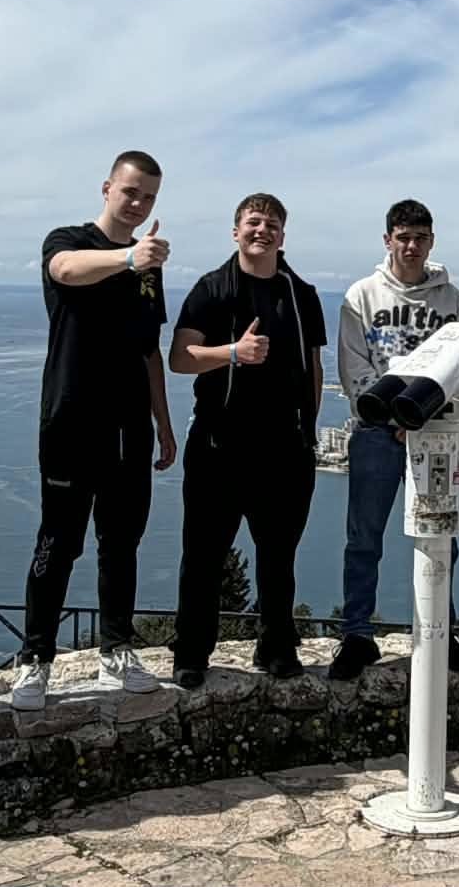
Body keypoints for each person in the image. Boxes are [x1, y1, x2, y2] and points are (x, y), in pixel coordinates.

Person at [10, 151, 178, 711]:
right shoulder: (70, 240)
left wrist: (163, 421)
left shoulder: (148, 267)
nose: (138, 203)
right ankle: (35, 658)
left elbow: (150, 350)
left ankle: (117, 648)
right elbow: (64, 271)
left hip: (129, 424)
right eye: (130, 191)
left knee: (122, 541)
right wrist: (129, 257)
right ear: (107, 188)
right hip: (72, 418)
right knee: (58, 541)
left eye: (149, 196)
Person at [169, 193, 326, 689]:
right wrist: (233, 353)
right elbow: (180, 357)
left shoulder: (301, 294)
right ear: (236, 231)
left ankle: (276, 645)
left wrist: (309, 431)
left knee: (279, 556)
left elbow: (314, 368)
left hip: (285, 447)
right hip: (218, 445)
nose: (262, 230)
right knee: (203, 555)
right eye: (253, 222)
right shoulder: (211, 288)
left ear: (283, 235)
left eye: (271, 224)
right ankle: (191, 652)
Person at [330, 199, 459, 680]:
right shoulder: (361, 295)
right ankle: (357, 634)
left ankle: (441, 629)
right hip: (376, 432)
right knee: (364, 536)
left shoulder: (452, 300)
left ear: (431, 241)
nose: (411, 246)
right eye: (403, 237)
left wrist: (423, 415)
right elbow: (353, 367)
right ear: (388, 240)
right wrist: (392, 413)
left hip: (435, 432)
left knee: (441, 535)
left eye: (420, 238)